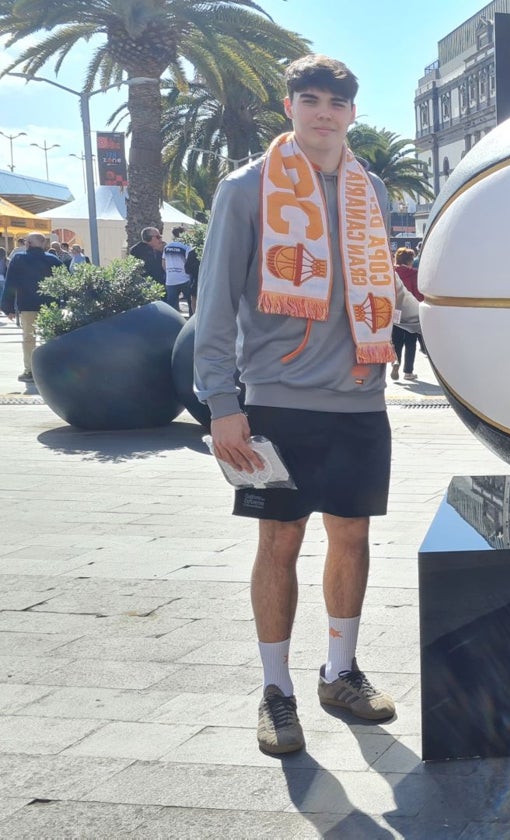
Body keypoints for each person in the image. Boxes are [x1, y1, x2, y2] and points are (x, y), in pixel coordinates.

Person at [194, 54, 398, 756]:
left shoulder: (372, 190)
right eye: (309, 99)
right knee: (279, 542)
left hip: (362, 401)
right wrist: (222, 403)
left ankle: (339, 672)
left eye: (336, 103)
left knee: (352, 537)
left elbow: (385, 295)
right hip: (277, 402)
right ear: (288, 106)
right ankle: (275, 689)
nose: (322, 113)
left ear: (352, 113)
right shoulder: (248, 189)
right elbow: (214, 304)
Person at [1, 232, 61, 381]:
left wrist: (7, 307)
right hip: (50, 305)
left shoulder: (19, 259)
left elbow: (11, 284)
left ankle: (30, 371)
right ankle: (51, 368)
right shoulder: (53, 260)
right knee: (50, 337)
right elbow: (63, 282)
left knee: (28, 339)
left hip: (27, 305)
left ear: (27, 244)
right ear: (43, 244)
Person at [391, 247, 423, 381]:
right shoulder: (414, 274)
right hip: (411, 311)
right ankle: (408, 372)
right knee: (411, 342)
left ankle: (395, 361)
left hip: (395, 311)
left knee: (396, 340)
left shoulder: (392, 272)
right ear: (410, 260)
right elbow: (418, 293)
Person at [161, 227, 198, 313]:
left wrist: (170, 273)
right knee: (191, 303)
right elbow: (189, 262)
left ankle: (173, 325)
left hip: (170, 280)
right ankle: (191, 324)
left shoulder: (167, 247)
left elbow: (163, 263)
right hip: (185, 279)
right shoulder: (187, 247)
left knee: (172, 306)